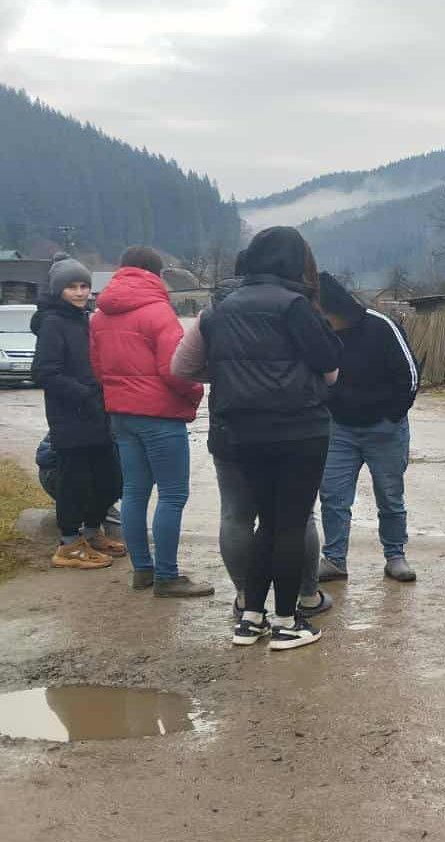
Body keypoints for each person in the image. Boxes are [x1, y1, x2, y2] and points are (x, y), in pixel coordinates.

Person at [201, 227, 341, 650]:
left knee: (264, 523)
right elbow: (330, 365)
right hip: (299, 430)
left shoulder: (222, 308)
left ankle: (251, 618)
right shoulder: (295, 306)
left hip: (243, 431)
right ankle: (287, 621)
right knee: (291, 524)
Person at [172, 255, 328, 621]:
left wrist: (229, 375)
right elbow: (325, 366)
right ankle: (306, 596)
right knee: (296, 516)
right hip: (290, 426)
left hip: (232, 427)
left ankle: (246, 598)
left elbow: (181, 368)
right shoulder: (291, 306)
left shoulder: (213, 312)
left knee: (236, 514)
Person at [88, 246, 211, 596]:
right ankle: (167, 576)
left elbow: (98, 368)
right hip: (159, 416)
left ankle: (142, 570)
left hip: (121, 414)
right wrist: (195, 394)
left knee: (134, 492)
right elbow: (175, 369)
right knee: (172, 494)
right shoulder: (158, 311)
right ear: (155, 274)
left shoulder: (99, 315)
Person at [314, 274, 420, 583]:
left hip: (385, 428)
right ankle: (334, 559)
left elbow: (410, 375)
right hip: (339, 428)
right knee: (333, 496)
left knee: (389, 495)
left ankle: (395, 555)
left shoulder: (381, 326)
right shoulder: (320, 333)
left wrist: (392, 416)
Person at [30, 253, 124, 569]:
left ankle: (92, 533)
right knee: (76, 484)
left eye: (85, 286)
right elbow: (45, 372)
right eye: (72, 287)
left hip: (98, 415)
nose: (81, 292)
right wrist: (86, 395)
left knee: (111, 480)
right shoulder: (53, 323)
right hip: (71, 417)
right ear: (59, 290)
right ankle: (68, 545)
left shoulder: (83, 320)